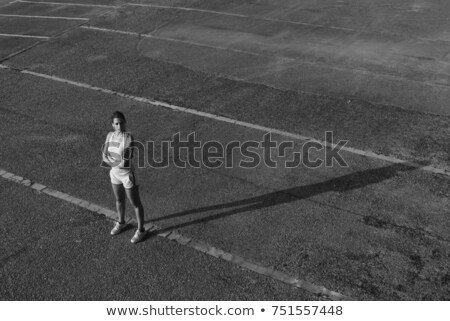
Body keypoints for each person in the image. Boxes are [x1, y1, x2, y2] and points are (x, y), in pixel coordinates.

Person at [102, 111, 146, 244]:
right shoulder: (109, 135)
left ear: (125, 122)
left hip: (127, 175)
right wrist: (111, 161)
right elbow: (104, 155)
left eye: (121, 123)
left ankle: (141, 230)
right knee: (119, 199)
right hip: (115, 173)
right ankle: (121, 222)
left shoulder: (128, 137)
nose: (119, 126)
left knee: (135, 204)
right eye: (116, 123)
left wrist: (110, 160)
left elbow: (124, 162)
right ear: (112, 125)